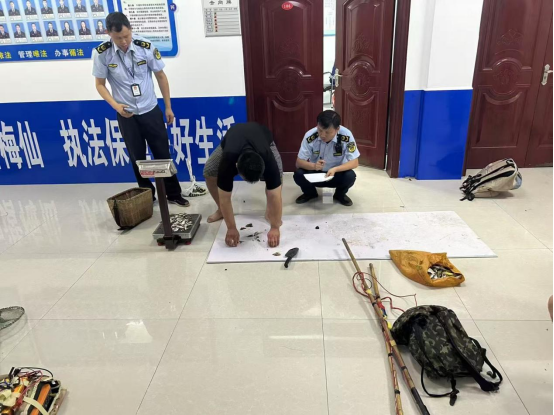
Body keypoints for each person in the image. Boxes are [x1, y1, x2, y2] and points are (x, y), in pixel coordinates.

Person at [92, 12, 188, 206]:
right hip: (126, 114)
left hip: (150, 109)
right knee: (137, 157)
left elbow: (161, 76)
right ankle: (146, 195)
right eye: (118, 38)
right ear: (108, 33)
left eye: (126, 36)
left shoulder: (145, 46)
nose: (124, 41)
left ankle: (173, 193)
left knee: (162, 153)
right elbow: (100, 85)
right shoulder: (101, 53)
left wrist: (168, 107)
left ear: (131, 29)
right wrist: (116, 106)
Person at [203, 123, 283, 248]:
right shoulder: (227, 161)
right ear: (236, 168)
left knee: (278, 176)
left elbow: (275, 195)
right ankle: (221, 211)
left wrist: (275, 227)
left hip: (262, 137)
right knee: (209, 172)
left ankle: (270, 213)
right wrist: (231, 228)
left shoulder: (267, 156)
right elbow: (225, 198)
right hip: (233, 139)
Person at [294, 110, 360, 207]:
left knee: (350, 176)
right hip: (316, 173)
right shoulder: (310, 135)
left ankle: (340, 195)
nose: (322, 135)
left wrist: (335, 169)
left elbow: (355, 162)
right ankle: (310, 193)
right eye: (320, 130)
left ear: (337, 129)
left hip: (336, 174)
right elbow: (298, 163)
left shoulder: (346, 135)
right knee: (298, 174)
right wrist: (314, 166)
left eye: (327, 132)